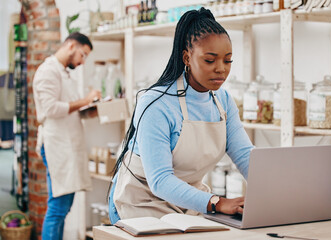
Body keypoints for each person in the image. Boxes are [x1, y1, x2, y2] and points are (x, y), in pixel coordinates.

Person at [108, 7, 254, 223]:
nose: (221, 69)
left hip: (189, 202)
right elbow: (160, 180)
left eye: (227, 60)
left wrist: (276, 191)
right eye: (210, 60)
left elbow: (245, 156)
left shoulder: (222, 101)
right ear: (187, 57)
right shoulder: (156, 104)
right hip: (141, 203)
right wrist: (218, 202)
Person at [33, 32, 101, 240]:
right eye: (83, 54)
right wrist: (85, 99)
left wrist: (92, 108)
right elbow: (51, 109)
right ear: (71, 46)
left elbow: (68, 110)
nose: (82, 62)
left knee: (63, 207)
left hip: (66, 145)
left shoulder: (63, 73)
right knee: (58, 207)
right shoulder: (47, 71)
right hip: (56, 146)